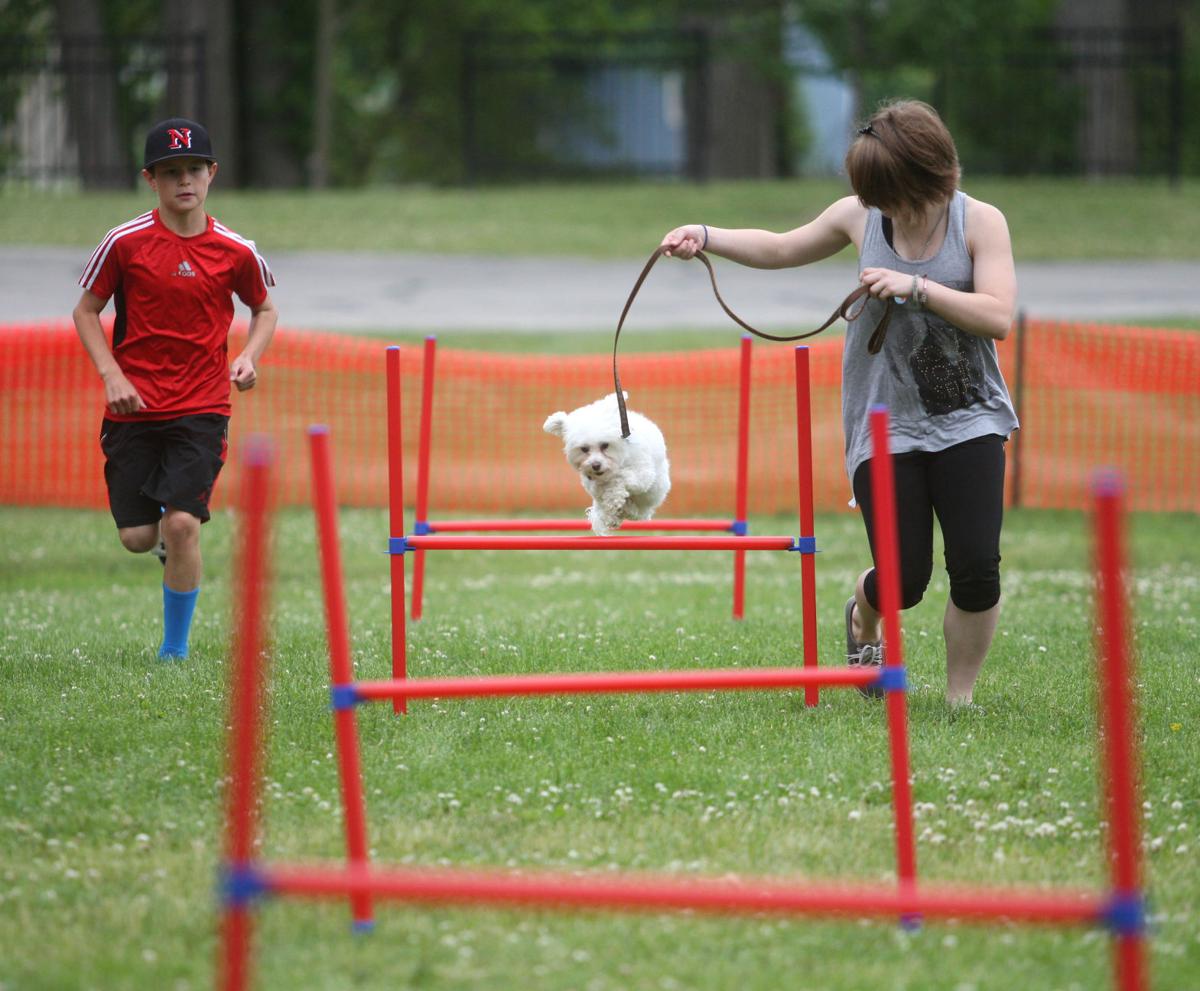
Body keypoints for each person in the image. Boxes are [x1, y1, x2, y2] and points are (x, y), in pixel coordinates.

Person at [660, 99, 1018, 707]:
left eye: (889, 194)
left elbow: (999, 317)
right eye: (872, 196)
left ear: (929, 175)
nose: (880, 207)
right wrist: (707, 236)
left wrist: (917, 288)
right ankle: (864, 613)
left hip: (969, 415)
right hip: (884, 422)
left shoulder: (981, 223)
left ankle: (960, 699)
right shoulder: (861, 215)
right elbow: (779, 248)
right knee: (904, 579)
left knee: (977, 569)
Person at [71, 117, 278, 661]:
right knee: (139, 537)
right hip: (132, 407)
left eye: (193, 169)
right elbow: (87, 310)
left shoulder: (235, 250)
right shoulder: (125, 242)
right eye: (170, 172)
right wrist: (111, 374)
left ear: (211, 174)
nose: (183, 180)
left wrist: (249, 357)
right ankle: (167, 547)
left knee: (183, 522)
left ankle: (174, 651)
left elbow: (264, 308)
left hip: (202, 407)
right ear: (151, 180)